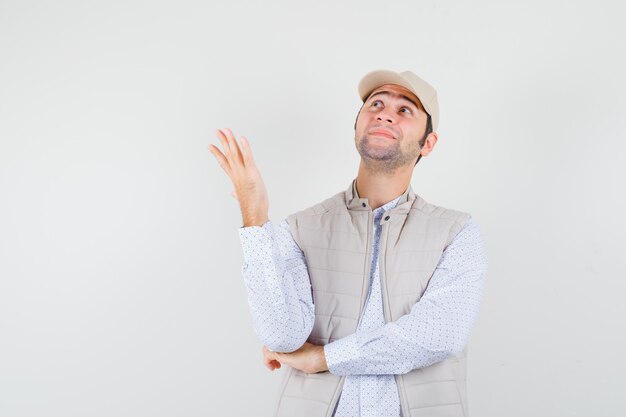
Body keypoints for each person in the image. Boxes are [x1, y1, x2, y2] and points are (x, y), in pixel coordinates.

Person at [208, 69, 488, 417]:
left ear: (427, 144)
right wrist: (255, 216)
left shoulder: (456, 232)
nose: (385, 113)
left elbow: (436, 335)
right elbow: (282, 335)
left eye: (405, 110)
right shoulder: (302, 227)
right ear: (357, 127)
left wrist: (324, 358)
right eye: (376, 104)